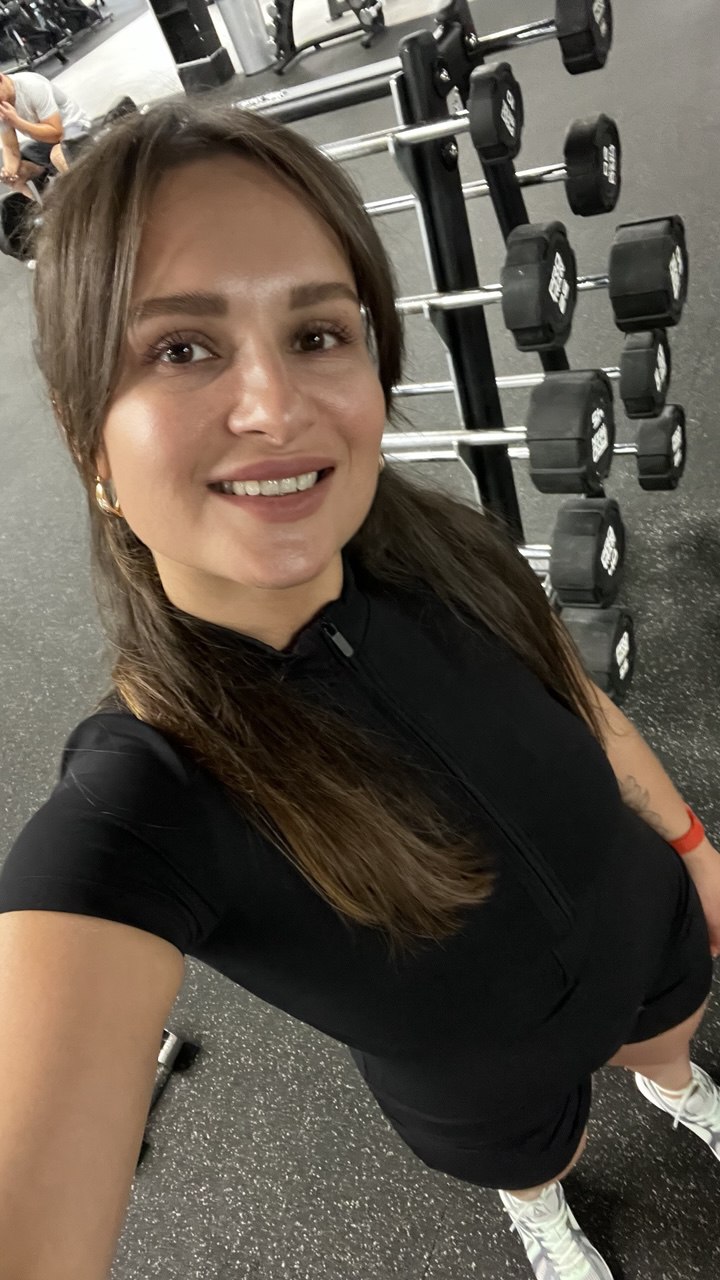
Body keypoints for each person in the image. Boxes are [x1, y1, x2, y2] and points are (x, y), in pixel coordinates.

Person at [0, 99, 718, 1280]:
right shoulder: (143, 799)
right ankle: (539, 1206)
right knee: (545, 1153)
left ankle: (680, 1088)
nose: (276, 406)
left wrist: (689, 843)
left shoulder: (453, 547)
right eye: (181, 348)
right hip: (484, 1086)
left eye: (319, 332)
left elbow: (578, 703)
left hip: (650, 925)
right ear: (92, 449)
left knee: (669, 1045)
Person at [0, 69, 91, 200]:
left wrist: (17, 121)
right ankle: (46, 208)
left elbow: (56, 133)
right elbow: (10, 148)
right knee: (18, 176)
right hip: (45, 140)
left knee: (58, 155)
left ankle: (86, 200)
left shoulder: (32, 85)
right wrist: (10, 172)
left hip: (72, 126)